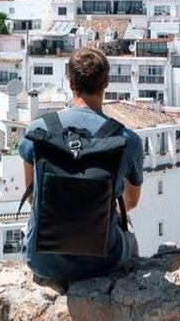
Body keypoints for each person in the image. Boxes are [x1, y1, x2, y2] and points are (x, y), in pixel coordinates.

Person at [18, 46, 144, 281]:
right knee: (130, 235)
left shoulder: (37, 130)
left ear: (70, 82)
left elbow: (33, 195)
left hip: (43, 260)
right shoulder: (128, 140)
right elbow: (131, 201)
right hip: (102, 261)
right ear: (106, 83)